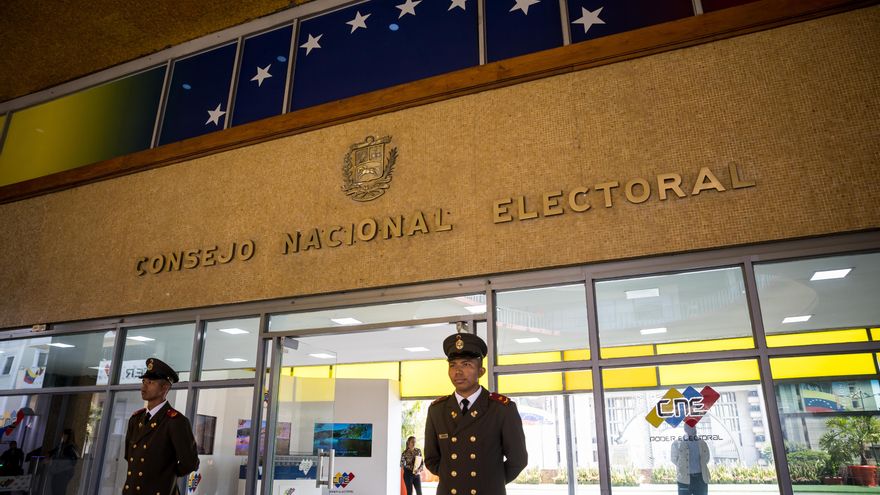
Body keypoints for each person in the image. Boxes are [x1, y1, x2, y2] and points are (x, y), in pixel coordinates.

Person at [425, 332, 527, 495]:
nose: (458, 372)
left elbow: (518, 460)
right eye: (453, 365)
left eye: (466, 365)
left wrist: (489, 481)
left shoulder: (501, 409)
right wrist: (455, 478)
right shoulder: (437, 410)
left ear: (481, 371)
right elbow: (431, 459)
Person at [123, 358, 199, 495]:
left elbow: (190, 463)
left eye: (150, 383)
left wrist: (166, 473)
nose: (143, 387)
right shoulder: (135, 419)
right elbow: (129, 456)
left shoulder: (176, 421)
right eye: (143, 382)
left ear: (164, 388)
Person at [671, 423, 710, 495]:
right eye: (690, 427)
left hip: (701, 479)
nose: (693, 429)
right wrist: (683, 466)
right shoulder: (677, 443)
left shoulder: (702, 443)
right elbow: (674, 459)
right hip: (684, 479)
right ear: (685, 429)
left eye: (694, 427)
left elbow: (706, 458)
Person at [48, 429, 78, 494]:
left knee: (58, 489)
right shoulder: (64, 446)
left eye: (64, 435)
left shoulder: (69, 447)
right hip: (61, 472)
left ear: (67, 436)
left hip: (62, 472)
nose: (62, 437)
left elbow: (72, 461)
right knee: (58, 489)